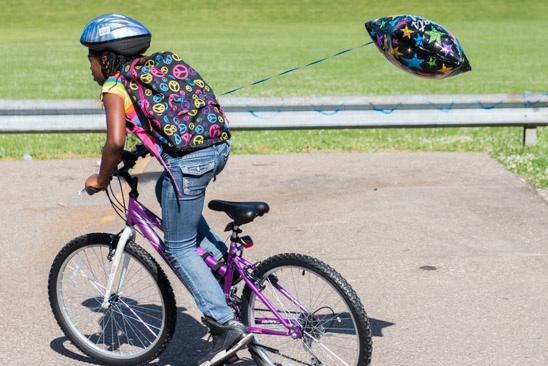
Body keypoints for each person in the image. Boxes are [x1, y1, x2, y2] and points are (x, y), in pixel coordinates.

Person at [80, 13, 253, 366]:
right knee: (165, 189)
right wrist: (140, 153)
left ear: (107, 58)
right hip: (217, 149)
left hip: (189, 163)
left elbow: (114, 142)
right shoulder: (158, 68)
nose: (91, 69)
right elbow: (164, 119)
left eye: (92, 60)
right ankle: (220, 263)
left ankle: (225, 327)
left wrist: (100, 179)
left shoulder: (115, 85)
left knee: (177, 247)